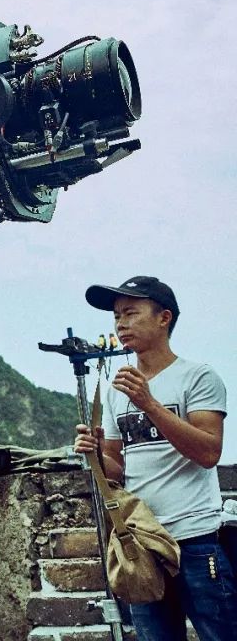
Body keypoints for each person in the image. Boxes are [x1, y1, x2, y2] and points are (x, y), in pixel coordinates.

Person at [73, 275, 236, 641]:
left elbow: (209, 452)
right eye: (117, 315)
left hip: (196, 538)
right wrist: (94, 452)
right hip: (141, 541)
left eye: (131, 312)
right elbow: (117, 468)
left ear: (164, 318)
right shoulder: (117, 390)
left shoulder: (198, 377)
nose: (121, 323)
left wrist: (149, 404)